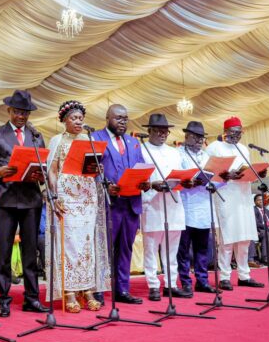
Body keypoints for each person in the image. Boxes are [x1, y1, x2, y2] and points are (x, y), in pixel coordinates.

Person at [0, 90, 48, 317]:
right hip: (6, 199)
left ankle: (32, 298)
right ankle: (3, 299)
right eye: (18, 111)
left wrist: (41, 174)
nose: (22, 116)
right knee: (3, 252)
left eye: (26, 112)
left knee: (31, 254)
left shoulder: (36, 135)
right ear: (9, 110)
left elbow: (43, 164)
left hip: (31, 199)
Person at [46, 100, 110, 313]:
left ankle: (88, 291)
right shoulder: (57, 140)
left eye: (80, 118)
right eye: (73, 118)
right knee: (69, 244)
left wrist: (97, 166)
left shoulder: (89, 139)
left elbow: (93, 167)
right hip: (67, 196)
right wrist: (54, 196)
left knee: (87, 244)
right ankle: (69, 292)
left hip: (87, 196)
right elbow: (53, 171)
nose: (78, 121)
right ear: (64, 120)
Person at [92, 104, 150, 304]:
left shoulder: (134, 142)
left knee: (126, 248)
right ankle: (98, 289)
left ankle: (122, 290)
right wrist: (104, 187)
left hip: (132, 203)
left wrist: (145, 181)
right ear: (107, 118)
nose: (123, 121)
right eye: (118, 118)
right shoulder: (96, 138)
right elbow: (91, 171)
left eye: (125, 118)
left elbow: (141, 166)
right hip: (109, 204)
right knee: (104, 248)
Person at [205, 117, 264, 291]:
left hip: (244, 196)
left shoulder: (244, 149)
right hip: (225, 195)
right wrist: (227, 174)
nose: (237, 136)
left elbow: (247, 169)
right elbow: (207, 171)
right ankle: (224, 276)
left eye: (239, 132)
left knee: (244, 238)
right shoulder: (214, 147)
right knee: (227, 239)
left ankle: (244, 275)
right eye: (234, 132)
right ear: (225, 131)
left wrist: (256, 173)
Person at [140, 114, 192, 301]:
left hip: (173, 202)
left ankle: (170, 284)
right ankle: (153, 285)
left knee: (172, 249)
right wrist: (153, 184)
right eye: (158, 131)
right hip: (152, 203)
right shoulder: (142, 150)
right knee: (151, 248)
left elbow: (180, 174)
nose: (163, 135)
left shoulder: (174, 152)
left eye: (165, 131)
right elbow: (140, 179)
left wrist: (185, 181)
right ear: (149, 131)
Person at [176, 121, 218, 295]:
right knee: (184, 249)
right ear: (186, 136)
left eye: (202, 137)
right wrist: (188, 182)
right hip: (185, 207)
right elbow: (176, 177)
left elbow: (217, 179)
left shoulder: (207, 156)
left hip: (204, 206)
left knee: (202, 248)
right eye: (196, 136)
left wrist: (218, 183)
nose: (200, 140)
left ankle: (202, 280)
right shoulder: (178, 154)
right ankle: (185, 281)